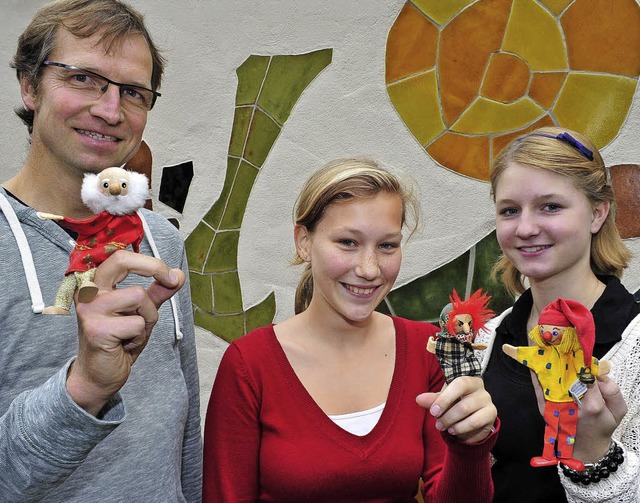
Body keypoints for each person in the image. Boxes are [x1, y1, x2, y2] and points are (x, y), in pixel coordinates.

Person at [202, 157, 499, 502]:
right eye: (347, 242)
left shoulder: (427, 349)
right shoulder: (249, 365)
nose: (369, 269)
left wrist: (470, 446)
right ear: (304, 242)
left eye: (387, 245)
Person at [0, 1, 202, 501]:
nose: (111, 110)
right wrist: (85, 387)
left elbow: (184, 433)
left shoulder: (161, 241)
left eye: (133, 92)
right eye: (83, 78)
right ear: (30, 85)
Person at [475, 126, 640, 502]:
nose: (527, 227)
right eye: (509, 210)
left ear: (597, 214)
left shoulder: (635, 345)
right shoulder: (485, 339)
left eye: (551, 206)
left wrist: (595, 453)